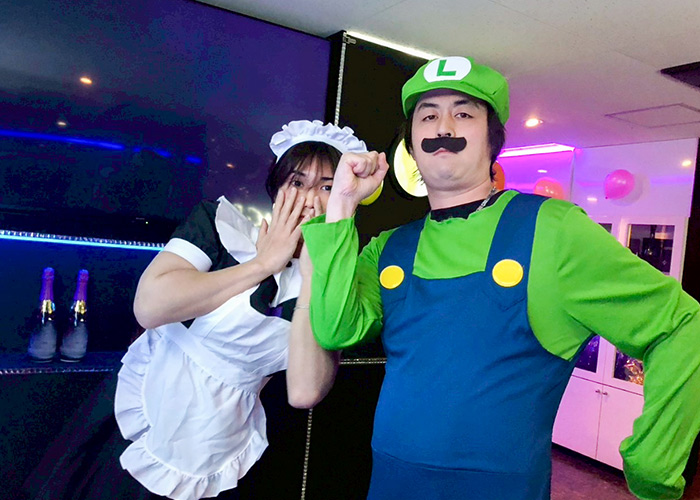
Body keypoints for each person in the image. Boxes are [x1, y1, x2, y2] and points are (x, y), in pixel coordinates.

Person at [300, 56, 700, 500]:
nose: (443, 127)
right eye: (427, 116)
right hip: (392, 482)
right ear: (410, 145)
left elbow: (682, 325)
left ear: (493, 139)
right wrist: (341, 206)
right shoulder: (389, 247)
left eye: (464, 114)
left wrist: (653, 464)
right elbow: (336, 329)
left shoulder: (553, 229)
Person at [114, 120, 362, 500]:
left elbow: (306, 391)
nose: (310, 200)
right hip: (144, 409)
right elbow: (149, 307)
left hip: (223, 445)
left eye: (328, 187)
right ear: (277, 188)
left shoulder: (336, 281)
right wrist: (262, 265)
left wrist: (316, 271)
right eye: (297, 183)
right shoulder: (220, 226)